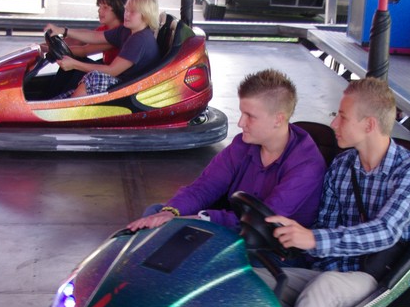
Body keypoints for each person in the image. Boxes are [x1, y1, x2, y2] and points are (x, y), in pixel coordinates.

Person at [259, 77, 410, 307]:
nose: (334, 124)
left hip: (378, 278)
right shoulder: (341, 166)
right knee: (254, 278)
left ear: (369, 124)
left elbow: (386, 231)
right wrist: (290, 241)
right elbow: (325, 226)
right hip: (333, 271)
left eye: (342, 117)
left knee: (325, 287)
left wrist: (312, 239)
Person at [126, 68, 327, 234]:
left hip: (271, 247)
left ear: (278, 119)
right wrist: (171, 213)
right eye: (241, 113)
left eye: (250, 116)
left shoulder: (306, 166)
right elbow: (204, 187)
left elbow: (265, 219)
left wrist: (201, 219)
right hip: (235, 230)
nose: (240, 123)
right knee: (157, 213)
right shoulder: (243, 146)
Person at [47, 0, 161, 98]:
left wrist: (74, 64)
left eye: (132, 12)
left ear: (145, 15)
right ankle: (54, 100)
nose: (126, 14)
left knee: (94, 78)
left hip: (130, 89)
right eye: (126, 10)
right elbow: (94, 36)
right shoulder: (127, 30)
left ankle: (68, 110)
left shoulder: (140, 40)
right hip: (122, 82)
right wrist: (63, 31)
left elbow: (112, 71)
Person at [43, 0, 130, 97]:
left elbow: (84, 50)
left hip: (114, 78)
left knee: (76, 64)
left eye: (105, 8)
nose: (99, 11)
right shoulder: (105, 29)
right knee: (74, 61)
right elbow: (78, 40)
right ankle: (51, 96)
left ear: (118, 9)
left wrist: (51, 49)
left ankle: (58, 99)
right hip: (105, 68)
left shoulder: (118, 34)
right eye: (99, 7)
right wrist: (42, 46)